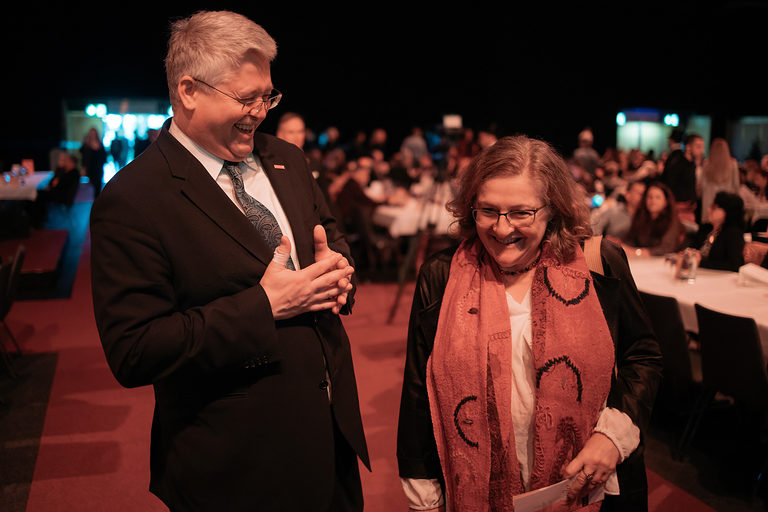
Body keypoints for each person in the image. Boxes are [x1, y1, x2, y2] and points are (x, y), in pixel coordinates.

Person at [89, 11, 369, 512]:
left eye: (269, 95)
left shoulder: (287, 157)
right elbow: (134, 351)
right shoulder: (132, 199)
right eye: (246, 98)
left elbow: (331, 236)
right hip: (236, 468)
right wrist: (264, 307)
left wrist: (338, 272)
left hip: (331, 441)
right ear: (189, 91)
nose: (261, 111)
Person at [397, 135, 662, 511]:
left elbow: (642, 356)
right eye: (488, 210)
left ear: (552, 209)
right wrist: (423, 492)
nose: (503, 229)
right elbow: (417, 391)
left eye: (522, 212)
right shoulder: (442, 276)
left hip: (591, 484)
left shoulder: (598, 263)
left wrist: (612, 435)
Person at [622, 181, 685, 257]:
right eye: (650, 197)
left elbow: (667, 248)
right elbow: (630, 240)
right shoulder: (640, 217)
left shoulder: (672, 220)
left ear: (666, 202)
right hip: (642, 261)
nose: (653, 201)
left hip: (663, 262)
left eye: (657, 197)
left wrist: (639, 253)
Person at [688, 191, 746, 271]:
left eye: (714, 207)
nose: (709, 210)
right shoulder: (706, 228)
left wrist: (701, 262)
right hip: (698, 272)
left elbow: (734, 265)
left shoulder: (733, 234)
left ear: (727, 212)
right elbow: (693, 248)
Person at [661, 133, 703, 224]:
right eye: (698, 147)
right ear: (688, 147)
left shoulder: (692, 164)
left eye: (702, 147)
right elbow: (668, 185)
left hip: (688, 210)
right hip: (677, 210)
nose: (702, 151)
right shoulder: (677, 164)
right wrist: (675, 205)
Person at [30, 151, 80, 227]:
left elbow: (58, 185)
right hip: (58, 193)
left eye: (66, 160)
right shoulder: (65, 171)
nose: (64, 162)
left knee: (38, 195)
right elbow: (53, 182)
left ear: (72, 163)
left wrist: (54, 183)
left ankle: (38, 220)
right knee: (39, 193)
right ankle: (39, 218)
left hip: (62, 197)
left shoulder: (73, 173)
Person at [698, 138, 740, 224]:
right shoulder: (733, 165)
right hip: (726, 204)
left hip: (709, 205)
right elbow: (736, 186)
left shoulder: (706, 164)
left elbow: (701, 186)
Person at [80, 127, 107, 198]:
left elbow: (104, 156)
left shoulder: (100, 144)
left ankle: (97, 201)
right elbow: (83, 157)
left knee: (98, 186)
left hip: (98, 168)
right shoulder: (86, 144)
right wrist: (83, 168)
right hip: (91, 168)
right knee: (91, 186)